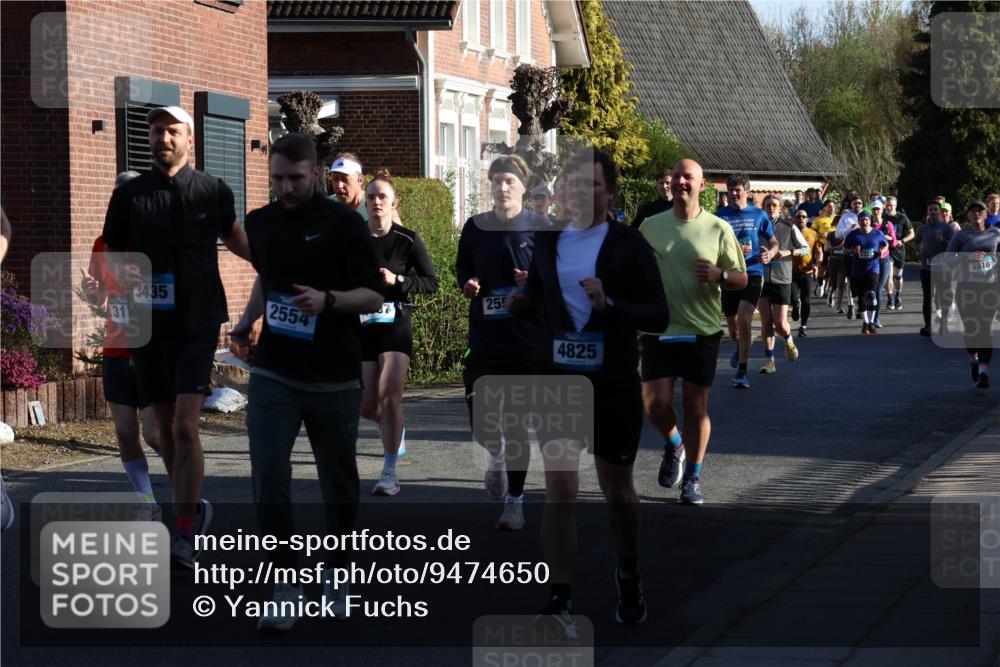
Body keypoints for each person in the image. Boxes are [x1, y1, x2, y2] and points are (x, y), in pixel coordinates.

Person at [509, 149, 669, 635]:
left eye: (592, 184)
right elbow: (539, 299)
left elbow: (658, 316)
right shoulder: (548, 241)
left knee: (616, 489)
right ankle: (559, 596)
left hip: (614, 379)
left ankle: (628, 569)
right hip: (557, 376)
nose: (581, 192)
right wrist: (521, 303)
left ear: (610, 192)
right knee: (559, 486)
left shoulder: (629, 245)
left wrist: (611, 303)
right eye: (573, 184)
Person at [239, 133, 384, 633]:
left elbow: (371, 296)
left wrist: (328, 301)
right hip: (274, 372)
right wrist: (248, 319)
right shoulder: (260, 223)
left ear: (315, 175)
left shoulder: (345, 224)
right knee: (269, 473)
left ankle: (339, 571)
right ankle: (283, 583)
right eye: (277, 178)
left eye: (295, 178)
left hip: (334, 374)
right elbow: (268, 278)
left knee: (337, 479)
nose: (285, 187)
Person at [102, 106, 252, 568]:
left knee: (186, 425)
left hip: (198, 321)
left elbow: (236, 236)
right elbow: (112, 250)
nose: (163, 138)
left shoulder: (212, 190)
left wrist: (273, 279)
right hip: (150, 326)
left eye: (171, 131)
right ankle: (192, 508)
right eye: (155, 130)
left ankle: (183, 532)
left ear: (189, 137)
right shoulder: (130, 196)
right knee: (163, 429)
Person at [638, 158, 746, 505]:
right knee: (655, 404)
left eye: (689, 177)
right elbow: (632, 271)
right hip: (659, 328)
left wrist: (721, 276)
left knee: (696, 406)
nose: (681, 181)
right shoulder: (650, 227)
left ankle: (694, 478)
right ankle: (676, 445)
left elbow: (741, 278)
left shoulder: (718, 228)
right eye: (677, 176)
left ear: (702, 186)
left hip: (701, 329)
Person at [456, 154, 550, 531]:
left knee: (515, 423)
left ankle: (515, 502)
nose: (502, 186)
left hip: (525, 342)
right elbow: (463, 267)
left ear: (523, 187)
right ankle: (493, 453)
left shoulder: (541, 228)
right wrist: (468, 283)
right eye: (496, 180)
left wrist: (534, 281)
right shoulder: (475, 227)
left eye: (509, 180)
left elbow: (556, 281)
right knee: (481, 420)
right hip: (484, 339)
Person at [81, 171, 160, 521]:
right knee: (126, 433)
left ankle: (190, 497)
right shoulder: (102, 243)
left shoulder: (158, 241)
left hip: (155, 350)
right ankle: (149, 505)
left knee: (156, 434)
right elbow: (98, 298)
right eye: (118, 198)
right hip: (116, 348)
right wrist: (95, 293)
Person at [359, 170, 439, 496]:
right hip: (363, 327)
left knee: (390, 394)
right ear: (365, 203)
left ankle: (389, 472)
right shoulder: (355, 238)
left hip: (395, 325)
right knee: (366, 405)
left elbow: (432, 283)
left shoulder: (408, 240)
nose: (377, 202)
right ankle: (395, 427)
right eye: (371, 197)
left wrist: (399, 281)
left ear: (394, 202)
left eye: (382, 197)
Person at [716, 174, 778, 389]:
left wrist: (770, 253)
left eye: (738, 189)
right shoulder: (720, 216)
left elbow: (774, 242)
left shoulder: (759, 214)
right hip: (729, 274)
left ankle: (742, 372)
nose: (734, 193)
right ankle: (740, 344)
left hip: (753, 272)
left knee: (745, 319)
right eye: (731, 189)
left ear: (747, 192)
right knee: (734, 329)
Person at [945, 200, 1000, 389]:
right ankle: (973, 360)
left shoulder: (996, 233)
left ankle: (983, 373)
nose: (976, 214)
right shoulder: (961, 235)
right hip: (966, 287)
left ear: (986, 215)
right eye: (973, 211)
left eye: (980, 211)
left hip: (989, 287)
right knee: (970, 329)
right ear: (968, 216)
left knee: (984, 327)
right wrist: (966, 257)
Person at [757, 195, 808, 373]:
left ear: (780, 208)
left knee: (779, 322)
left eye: (774, 205)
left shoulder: (789, 226)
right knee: (766, 321)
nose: (771, 208)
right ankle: (769, 361)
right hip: (761, 277)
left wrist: (788, 252)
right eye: (768, 205)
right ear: (763, 207)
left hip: (782, 277)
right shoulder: (757, 226)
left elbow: (805, 248)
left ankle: (788, 340)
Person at [915, 200, 957, 337]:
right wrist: (917, 251)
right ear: (927, 212)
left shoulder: (946, 228)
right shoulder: (922, 228)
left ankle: (943, 324)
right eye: (930, 210)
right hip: (926, 268)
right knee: (927, 297)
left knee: (942, 296)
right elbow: (916, 242)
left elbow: (954, 245)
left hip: (942, 268)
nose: (933, 212)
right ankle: (928, 326)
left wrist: (944, 241)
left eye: (935, 210)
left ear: (939, 212)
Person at [845, 211, 889, 334]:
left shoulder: (877, 233)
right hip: (857, 270)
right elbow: (845, 251)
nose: (864, 222)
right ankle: (866, 323)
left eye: (866, 220)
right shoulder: (853, 235)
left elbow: (886, 244)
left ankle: (871, 322)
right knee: (861, 298)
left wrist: (882, 251)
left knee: (871, 295)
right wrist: (853, 250)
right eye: (861, 220)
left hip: (873, 268)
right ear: (858, 221)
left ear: (870, 220)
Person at [791, 208, 822, 337]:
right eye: (798, 217)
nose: (801, 219)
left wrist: (817, 264)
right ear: (794, 219)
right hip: (791, 271)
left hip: (807, 271)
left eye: (804, 217)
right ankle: (795, 306)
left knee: (806, 300)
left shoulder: (813, 234)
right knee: (793, 299)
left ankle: (803, 326)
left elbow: (819, 252)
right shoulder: (789, 232)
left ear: (807, 219)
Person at [884, 196, 914, 311]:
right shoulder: (882, 217)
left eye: (891, 205)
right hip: (887, 250)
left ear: (895, 205)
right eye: (887, 205)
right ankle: (890, 299)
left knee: (898, 277)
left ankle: (898, 296)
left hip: (899, 250)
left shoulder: (902, 218)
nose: (889, 207)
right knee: (889, 275)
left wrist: (902, 241)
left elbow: (912, 233)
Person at [870, 201, 896, 328]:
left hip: (883, 260)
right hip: (869, 261)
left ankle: (876, 318)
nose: (876, 211)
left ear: (882, 210)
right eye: (874, 209)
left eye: (878, 209)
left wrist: (884, 236)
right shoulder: (867, 223)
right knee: (870, 290)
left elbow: (894, 241)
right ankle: (867, 315)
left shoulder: (887, 224)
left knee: (878, 289)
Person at [329, 153, 368, 220]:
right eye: (335, 179)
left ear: (360, 180)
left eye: (345, 179)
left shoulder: (373, 205)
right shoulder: (327, 205)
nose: (339, 185)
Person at [811, 200, 836, 297]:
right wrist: (821, 234)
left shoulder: (838, 218)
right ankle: (820, 283)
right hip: (823, 245)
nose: (832, 208)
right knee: (822, 267)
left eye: (833, 206)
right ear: (825, 208)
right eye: (829, 206)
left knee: (832, 269)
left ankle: (827, 289)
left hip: (835, 246)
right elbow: (812, 232)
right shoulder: (819, 219)